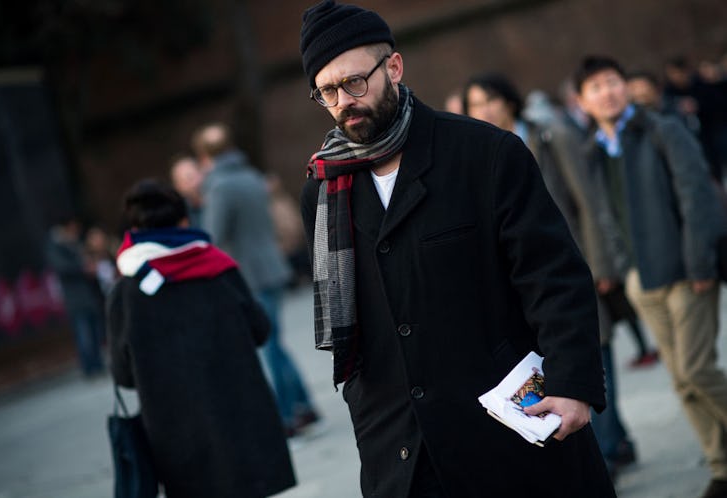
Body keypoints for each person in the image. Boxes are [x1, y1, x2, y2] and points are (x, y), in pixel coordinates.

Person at [298, 2, 614, 496]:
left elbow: (554, 277)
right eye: (328, 91)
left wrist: (573, 385)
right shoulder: (322, 189)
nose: (344, 101)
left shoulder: (485, 153)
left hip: (508, 433)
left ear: (394, 67)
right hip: (402, 452)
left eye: (355, 82)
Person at [463, 72, 638, 479]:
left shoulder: (547, 136)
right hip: (525, 282)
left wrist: (598, 265)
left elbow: (587, 201)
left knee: (592, 352)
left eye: (490, 99)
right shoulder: (475, 154)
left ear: (509, 100)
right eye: (475, 104)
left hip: (574, 264)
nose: (485, 109)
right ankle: (617, 440)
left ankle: (608, 448)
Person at [575, 55, 727, 498]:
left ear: (625, 86)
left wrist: (700, 262)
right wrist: (624, 269)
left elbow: (696, 195)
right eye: (596, 87)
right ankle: (720, 463)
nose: (607, 92)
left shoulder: (662, 129)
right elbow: (603, 214)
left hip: (686, 271)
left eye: (612, 82)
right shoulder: (594, 151)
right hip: (643, 279)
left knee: (698, 370)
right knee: (681, 380)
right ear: (582, 102)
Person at [107, 179, 296, 498]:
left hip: (178, 442)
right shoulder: (220, 269)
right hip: (243, 428)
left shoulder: (124, 292)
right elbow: (260, 331)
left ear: (134, 230)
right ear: (184, 221)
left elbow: (124, 376)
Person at [192, 122, 322, 437]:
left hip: (249, 274)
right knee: (274, 342)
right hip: (272, 266)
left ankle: (286, 416)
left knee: (267, 347)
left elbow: (213, 235)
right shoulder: (250, 176)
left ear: (205, 156)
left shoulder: (219, 186)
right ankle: (304, 405)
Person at [46, 217, 105, 377]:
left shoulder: (75, 243)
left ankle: (97, 364)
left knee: (94, 332)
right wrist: (83, 268)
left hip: (89, 295)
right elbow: (62, 268)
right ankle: (89, 367)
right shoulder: (57, 245)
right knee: (84, 333)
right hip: (76, 299)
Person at [169, 154, 204, 228]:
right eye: (184, 180)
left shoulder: (217, 201)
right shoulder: (178, 214)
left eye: (191, 177)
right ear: (177, 186)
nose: (192, 184)